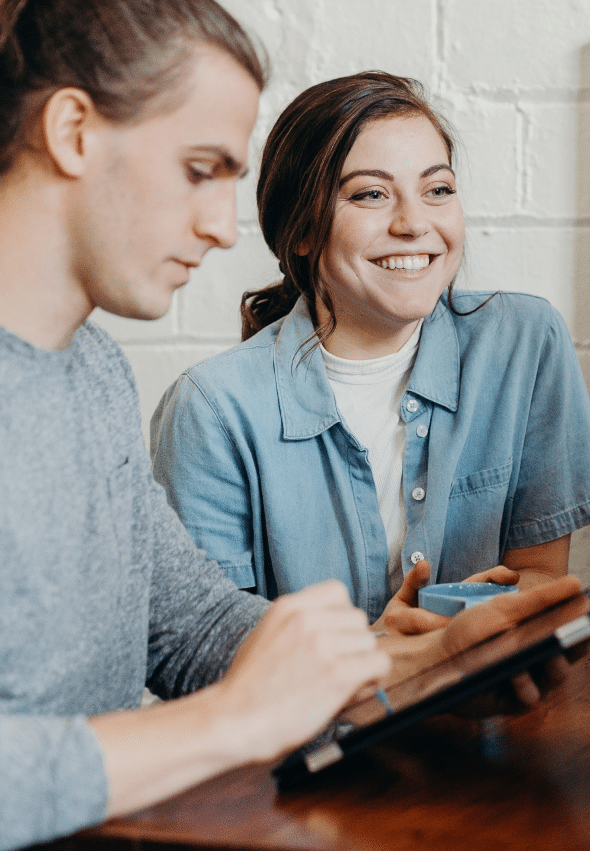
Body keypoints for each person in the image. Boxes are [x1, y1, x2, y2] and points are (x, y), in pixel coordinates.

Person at [0, 4, 584, 848]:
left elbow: (194, 626)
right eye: (200, 169)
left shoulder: (89, 373)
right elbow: (219, 703)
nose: (219, 226)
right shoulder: (198, 398)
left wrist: (410, 670)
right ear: (73, 131)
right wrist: (232, 722)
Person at [151, 71, 590, 627]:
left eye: (438, 190)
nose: (414, 224)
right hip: (316, 717)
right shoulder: (210, 411)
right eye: (371, 194)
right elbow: (206, 650)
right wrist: (386, 658)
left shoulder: (526, 344)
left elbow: (541, 581)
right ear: (302, 233)